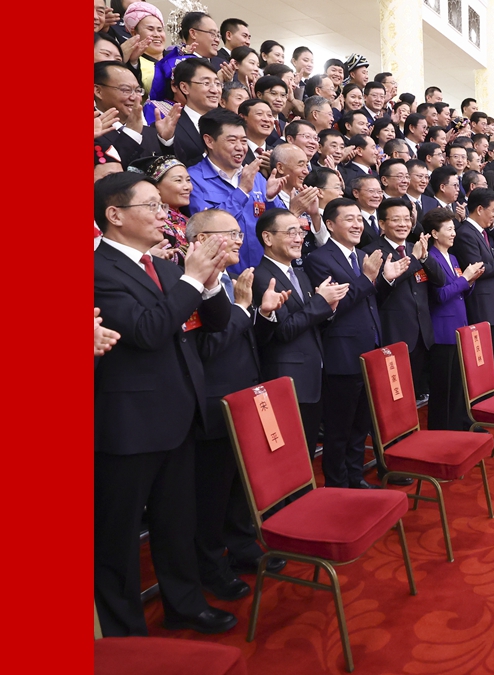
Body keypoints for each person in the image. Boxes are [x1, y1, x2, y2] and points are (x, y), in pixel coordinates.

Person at [93, 172, 237, 637]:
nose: (164, 214)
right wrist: (193, 278)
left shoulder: (168, 267)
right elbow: (148, 331)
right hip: (129, 424)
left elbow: (213, 322)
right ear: (115, 216)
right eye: (151, 206)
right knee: (116, 540)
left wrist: (210, 282)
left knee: (177, 524)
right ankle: (125, 633)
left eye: (163, 205)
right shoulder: (98, 271)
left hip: (178, 415)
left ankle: (185, 604)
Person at [187, 209, 290, 601]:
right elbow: (208, 348)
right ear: (199, 240)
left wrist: (261, 313)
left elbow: (247, 338)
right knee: (211, 494)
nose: (237, 238)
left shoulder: (232, 280)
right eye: (227, 233)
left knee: (239, 485)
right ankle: (212, 567)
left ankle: (244, 548)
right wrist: (246, 310)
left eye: (237, 231)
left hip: (244, 394)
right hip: (212, 404)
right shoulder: (194, 286)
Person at [303, 198, 407, 488]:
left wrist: (384, 280)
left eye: (359, 219)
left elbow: (369, 302)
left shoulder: (362, 255)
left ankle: (355, 475)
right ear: (330, 224)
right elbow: (332, 307)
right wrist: (368, 278)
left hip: (370, 350)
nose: (357, 224)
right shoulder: (319, 259)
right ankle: (338, 484)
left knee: (361, 424)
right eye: (349, 219)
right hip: (342, 353)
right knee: (339, 428)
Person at [252, 209, 347, 458]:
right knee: (289, 455)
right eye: (290, 232)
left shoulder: (300, 274)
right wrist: (320, 303)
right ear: (268, 238)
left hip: (313, 373)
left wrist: (329, 308)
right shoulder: (261, 278)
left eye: (300, 231)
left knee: (306, 451)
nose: (299, 238)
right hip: (287, 377)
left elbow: (311, 320)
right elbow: (283, 330)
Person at [362, 198, 444, 408]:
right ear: (382, 224)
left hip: (421, 333)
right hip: (394, 332)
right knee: (392, 396)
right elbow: (378, 291)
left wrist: (424, 258)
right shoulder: (373, 252)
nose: (403, 224)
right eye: (396, 219)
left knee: (412, 394)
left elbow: (440, 280)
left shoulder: (413, 247)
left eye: (407, 219)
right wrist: (415, 260)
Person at [187, 108, 284, 274]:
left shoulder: (255, 176)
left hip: (262, 272)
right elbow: (206, 228)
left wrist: (270, 199)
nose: (240, 148)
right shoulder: (192, 179)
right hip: (221, 273)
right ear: (209, 141)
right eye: (232, 141)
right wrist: (242, 191)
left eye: (244, 141)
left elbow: (277, 225)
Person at [423, 208, 485, 430]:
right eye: (448, 229)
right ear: (434, 233)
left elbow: (459, 290)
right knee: (443, 387)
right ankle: (441, 430)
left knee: (459, 383)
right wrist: (464, 279)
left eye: (453, 229)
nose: (453, 233)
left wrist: (470, 280)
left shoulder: (454, 257)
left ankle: (459, 423)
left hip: (460, 324)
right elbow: (439, 295)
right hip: (442, 330)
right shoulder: (431, 258)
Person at [450, 189, 494, 366]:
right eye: (493, 209)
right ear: (480, 209)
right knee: (483, 362)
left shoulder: (483, 233)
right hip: (481, 306)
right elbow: (477, 269)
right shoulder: (466, 233)